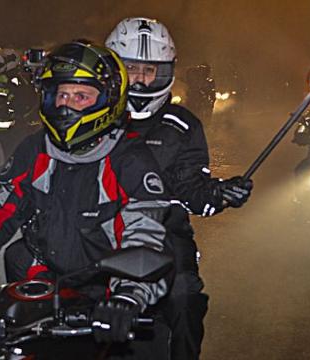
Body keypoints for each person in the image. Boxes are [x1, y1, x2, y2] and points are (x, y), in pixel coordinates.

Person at [0, 41, 176, 358]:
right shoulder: (36, 151)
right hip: (48, 289)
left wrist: (127, 298)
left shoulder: (130, 160)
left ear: (108, 99)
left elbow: (144, 236)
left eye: (81, 96)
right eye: (61, 95)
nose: (67, 106)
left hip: (110, 300)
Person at [105, 17, 253, 360]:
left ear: (167, 71)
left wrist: (220, 194)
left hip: (164, 231)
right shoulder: (94, 115)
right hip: (98, 226)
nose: (141, 79)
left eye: (150, 70)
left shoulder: (182, 124)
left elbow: (192, 188)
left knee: (186, 298)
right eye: (131, 69)